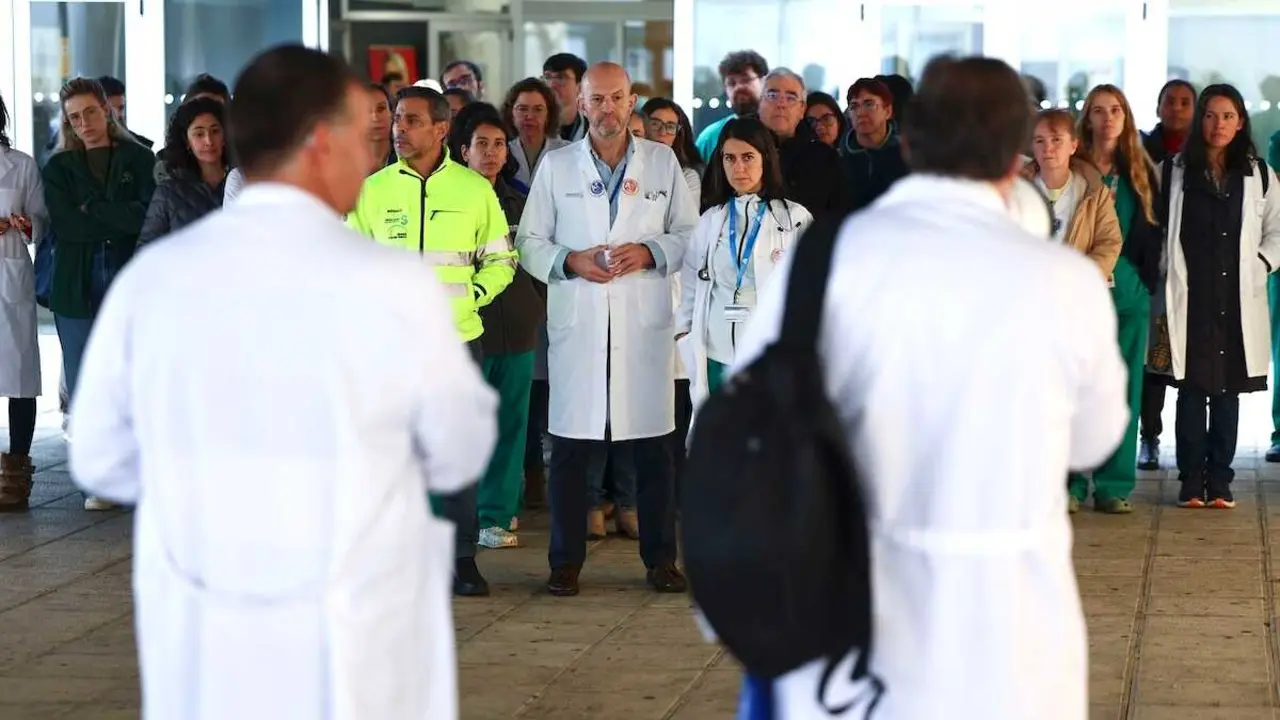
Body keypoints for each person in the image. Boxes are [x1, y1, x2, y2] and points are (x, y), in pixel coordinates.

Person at [68, 44, 497, 720]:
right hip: (355, 626)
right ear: (322, 141)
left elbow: (100, 458)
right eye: (365, 133)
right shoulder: (391, 285)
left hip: (208, 624)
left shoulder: (156, 281)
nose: (377, 150)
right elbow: (460, 448)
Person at [727, 54, 1127, 720]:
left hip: (847, 617)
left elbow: (748, 427)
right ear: (1014, 157)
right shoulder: (1064, 281)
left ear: (908, 141)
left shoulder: (822, 261)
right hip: (1012, 626)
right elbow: (1095, 440)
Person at [516, 61, 697, 597]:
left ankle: (661, 559)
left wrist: (648, 251)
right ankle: (564, 562)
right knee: (571, 448)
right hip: (583, 318)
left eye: (617, 98)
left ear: (632, 100)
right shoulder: (558, 165)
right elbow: (529, 242)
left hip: (643, 321)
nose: (607, 109)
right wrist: (571, 262)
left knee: (654, 448)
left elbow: (690, 234)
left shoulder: (662, 163)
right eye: (596, 100)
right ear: (582, 105)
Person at [346, 85, 515, 597]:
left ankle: (462, 559)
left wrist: (474, 296)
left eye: (412, 120)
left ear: (442, 129)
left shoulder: (474, 190)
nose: (399, 128)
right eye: (398, 119)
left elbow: (502, 260)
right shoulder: (372, 190)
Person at [1161, 84, 1280, 508]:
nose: (1219, 125)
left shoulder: (1260, 174)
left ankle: (1222, 481)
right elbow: (1162, 230)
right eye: (1210, 115)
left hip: (1235, 296)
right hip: (1191, 298)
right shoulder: (1174, 171)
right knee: (1192, 391)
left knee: (1227, 392)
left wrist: (1262, 264)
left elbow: (1277, 231)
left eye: (1228, 116)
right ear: (1200, 121)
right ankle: (1192, 480)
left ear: (1241, 121)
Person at [42, 77, 157, 511]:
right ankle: (99, 480)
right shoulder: (57, 168)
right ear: (67, 122)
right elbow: (67, 226)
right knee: (86, 382)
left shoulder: (139, 159)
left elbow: (144, 216)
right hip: (76, 287)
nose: (84, 122)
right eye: (75, 116)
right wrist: (111, 217)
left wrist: (95, 211)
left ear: (106, 110)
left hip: (126, 280)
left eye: (91, 111)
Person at [450, 104, 546, 547]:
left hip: (519, 329)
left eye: (497, 145)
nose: (490, 153)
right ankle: (461, 517)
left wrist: (535, 305)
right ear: (462, 149)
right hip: (468, 328)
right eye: (480, 144)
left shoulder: (522, 200)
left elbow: (540, 258)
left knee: (510, 423)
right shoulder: (451, 200)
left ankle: (496, 514)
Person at [1068, 84, 1162, 514]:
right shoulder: (1070, 166)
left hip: (1128, 293)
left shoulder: (1141, 169)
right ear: (1087, 119)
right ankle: (1068, 483)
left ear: (1126, 118)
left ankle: (1113, 484)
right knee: (1072, 388)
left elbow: (1152, 233)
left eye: (1116, 110)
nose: (1108, 119)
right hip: (1078, 291)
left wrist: (1140, 283)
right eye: (1099, 111)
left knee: (1124, 390)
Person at [677, 116, 812, 414]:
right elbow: (690, 286)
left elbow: (812, 292)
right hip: (716, 355)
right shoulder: (711, 219)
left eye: (748, 157)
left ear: (766, 158)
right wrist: (683, 334)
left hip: (770, 357)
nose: (739, 168)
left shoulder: (795, 219)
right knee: (721, 447)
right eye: (730, 158)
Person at [1140, 79, 1197, 469]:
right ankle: (1150, 436)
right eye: (1170, 102)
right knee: (1155, 360)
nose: (1177, 108)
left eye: (1185, 102)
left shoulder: (1206, 151)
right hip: (1154, 266)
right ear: (1159, 107)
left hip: (1196, 271)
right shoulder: (1142, 152)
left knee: (1192, 363)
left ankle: (1191, 444)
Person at [0, 94, 47, 512]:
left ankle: (15, 475)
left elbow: (41, 219)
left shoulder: (22, 164)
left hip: (9, 271)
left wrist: (26, 224)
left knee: (19, 373)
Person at [1021, 109, 1122, 282]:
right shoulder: (1018, 190)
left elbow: (1109, 242)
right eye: (1039, 141)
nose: (1048, 148)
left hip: (1074, 293)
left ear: (1073, 146)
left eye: (1056, 140)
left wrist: (1078, 279)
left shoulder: (1094, 191)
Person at [757, 68, 849, 221]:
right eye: (772, 95)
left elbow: (839, 217)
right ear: (759, 102)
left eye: (791, 97)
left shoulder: (824, 158)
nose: (781, 104)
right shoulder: (736, 146)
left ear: (802, 110)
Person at [138, 97, 230, 245]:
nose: (209, 141)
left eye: (215, 131)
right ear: (186, 141)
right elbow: (147, 251)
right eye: (199, 134)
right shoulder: (169, 191)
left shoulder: (244, 181)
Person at [843, 77, 910, 212]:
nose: (861, 113)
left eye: (869, 104)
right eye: (854, 106)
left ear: (888, 111)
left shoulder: (908, 156)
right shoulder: (839, 160)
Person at [696, 51, 768, 162]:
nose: (738, 87)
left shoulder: (777, 129)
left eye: (746, 80)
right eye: (731, 83)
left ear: (764, 82)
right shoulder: (710, 137)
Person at [503, 78, 568, 191]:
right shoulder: (502, 151)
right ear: (511, 113)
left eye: (538, 109)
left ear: (549, 114)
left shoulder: (567, 151)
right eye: (522, 109)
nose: (529, 116)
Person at [542, 53, 589, 142]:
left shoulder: (594, 128)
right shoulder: (530, 126)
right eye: (547, 77)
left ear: (580, 87)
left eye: (561, 77)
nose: (552, 84)